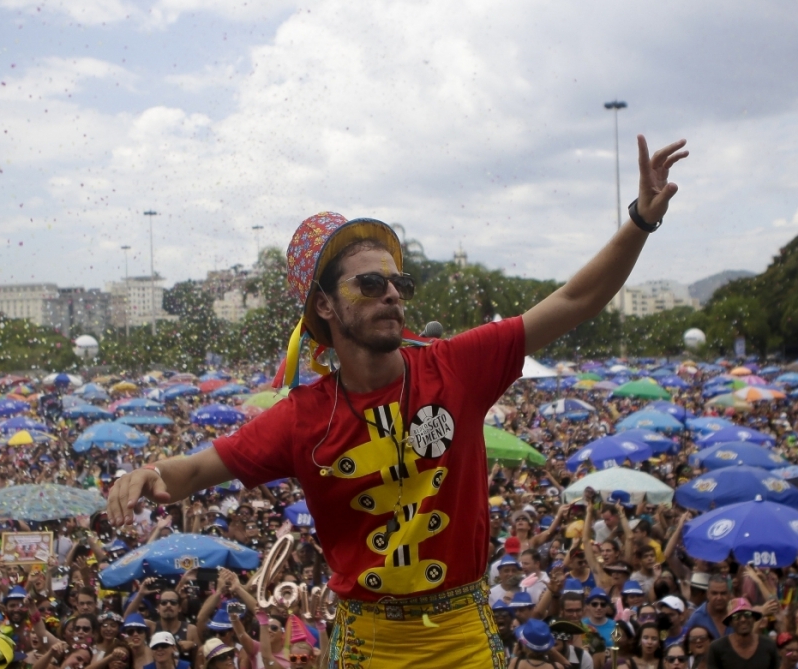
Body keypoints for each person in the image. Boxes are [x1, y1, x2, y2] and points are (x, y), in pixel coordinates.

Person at [107, 136, 690, 668]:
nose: (391, 294)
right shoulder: (302, 418)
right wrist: (149, 472)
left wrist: (639, 221)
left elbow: (576, 298)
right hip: (368, 644)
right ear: (326, 308)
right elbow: (194, 472)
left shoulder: (455, 366)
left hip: (463, 633)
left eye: (398, 284)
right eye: (369, 284)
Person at [706, 599, 778, 669]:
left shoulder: (769, 645)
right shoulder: (717, 648)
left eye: (747, 614)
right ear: (730, 622)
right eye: (736, 616)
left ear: (753, 618)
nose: (743, 619)